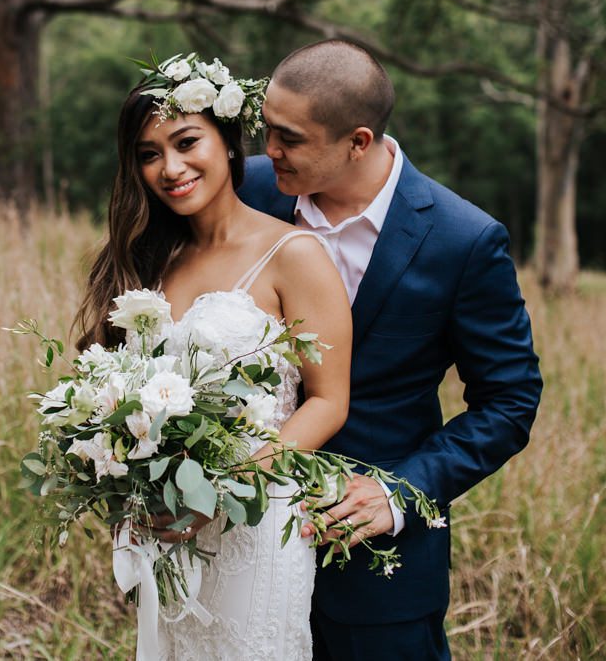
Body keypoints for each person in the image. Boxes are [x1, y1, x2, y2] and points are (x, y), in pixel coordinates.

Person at [237, 40, 542, 661]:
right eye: (266, 129)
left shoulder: (464, 240)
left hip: (374, 571)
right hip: (236, 546)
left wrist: (403, 491)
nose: (269, 151)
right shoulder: (246, 189)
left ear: (358, 141)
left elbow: (509, 401)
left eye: (289, 139)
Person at [74, 56, 353, 661]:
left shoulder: (294, 255)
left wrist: (219, 490)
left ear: (228, 141)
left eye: (185, 142)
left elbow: (328, 401)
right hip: (170, 528)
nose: (169, 168)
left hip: (256, 519)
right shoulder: (152, 259)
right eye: (149, 154)